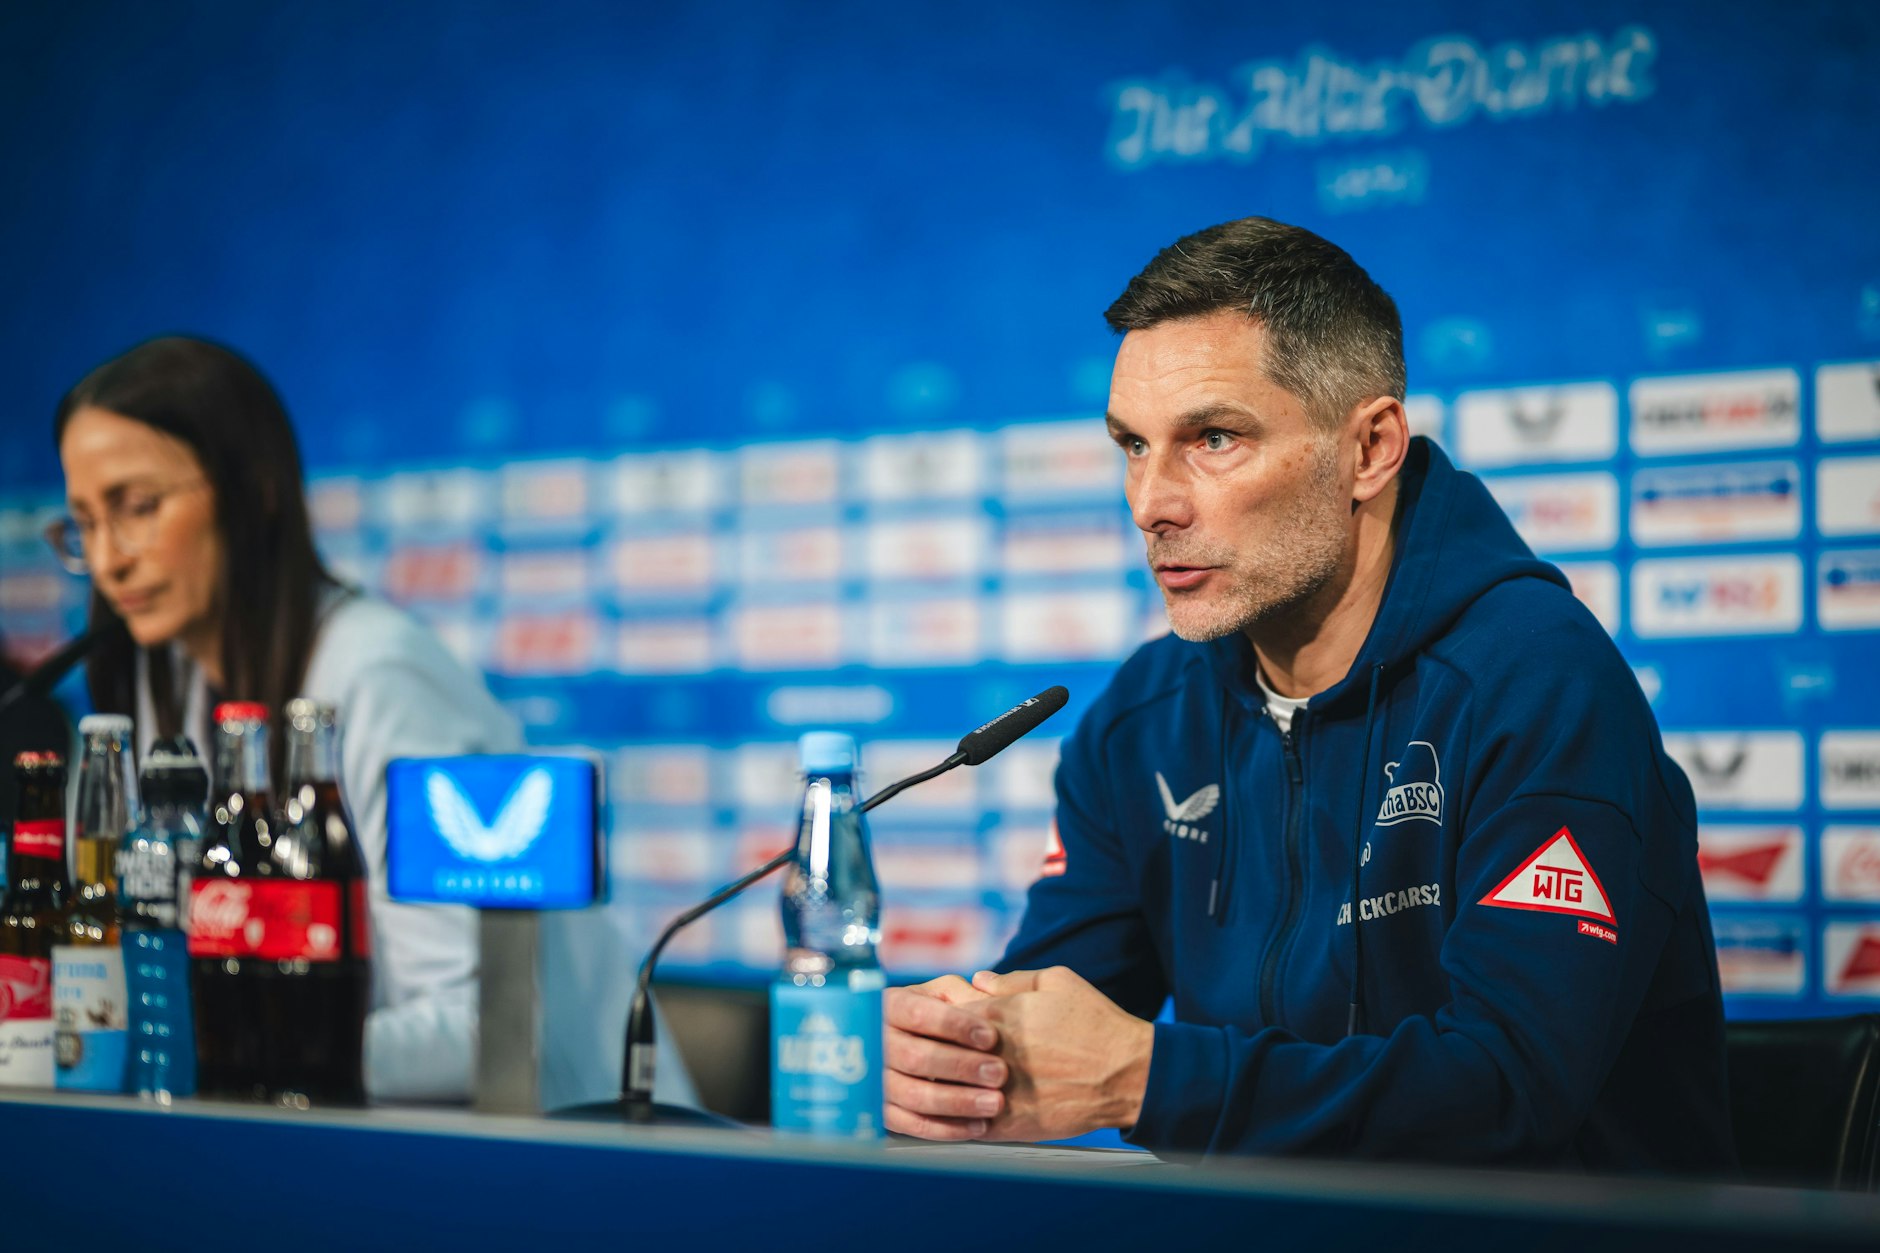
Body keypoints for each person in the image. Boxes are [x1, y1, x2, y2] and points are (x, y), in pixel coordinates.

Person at [883, 218, 1735, 1172]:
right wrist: (946, 1052)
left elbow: (1509, 1089)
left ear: (1369, 447)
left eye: (1212, 439)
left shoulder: (1536, 685)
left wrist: (1147, 1080)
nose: (1150, 502)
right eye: (1132, 444)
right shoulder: (1144, 718)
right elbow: (1049, 1009)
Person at [50, 336, 520, 1102]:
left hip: (562, 1151)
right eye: (84, 524)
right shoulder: (151, 689)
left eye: (138, 508)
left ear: (254, 489)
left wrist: (223, 1050)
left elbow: (482, 1029)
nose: (109, 559)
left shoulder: (379, 678)